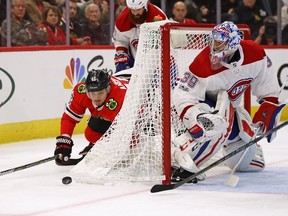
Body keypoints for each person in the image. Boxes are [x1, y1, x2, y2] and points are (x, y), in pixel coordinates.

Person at [171, 21, 286, 182]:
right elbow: (182, 94)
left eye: (220, 42)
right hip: (202, 110)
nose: (214, 45)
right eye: (214, 40)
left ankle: (244, 131)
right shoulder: (202, 64)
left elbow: (268, 87)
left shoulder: (255, 54)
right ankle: (180, 160)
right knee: (219, 118)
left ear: (232, 43)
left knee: (247, 161)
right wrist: (193, 117)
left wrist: (269, 107)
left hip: (228, 112)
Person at [54, 69, 128, 165]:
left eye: (101, 93)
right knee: (92, 133)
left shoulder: (120, 97)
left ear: (108, 90)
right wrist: (64, 141)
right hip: (122, 81)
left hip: (143, 103)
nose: (96, 97)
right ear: (87, 91)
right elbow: (69, 118)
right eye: (93, 93)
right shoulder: (81, 92)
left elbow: (131, 131)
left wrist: (107, 148)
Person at [112, 0, 167, 74]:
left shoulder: (158, 17)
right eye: (132, 9)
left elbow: (165, 43)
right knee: (121, 66)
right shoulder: (122, 20)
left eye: (138, 10)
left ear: (145, 6)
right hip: (135, 59)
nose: (135, 13)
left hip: (156, 60)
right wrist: (122, 54)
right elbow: (120, 41)